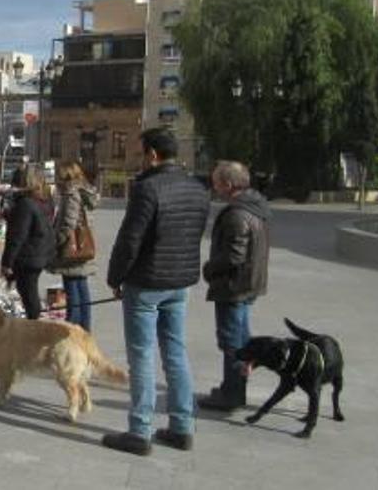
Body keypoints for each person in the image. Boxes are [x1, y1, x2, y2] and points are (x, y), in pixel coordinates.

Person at [103, 127, 209, 456]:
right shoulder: (197, 188)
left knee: (142, 355)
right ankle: (182, 425)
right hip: (179, 281)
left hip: (146, 282)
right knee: (175, 352)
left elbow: (130, 239)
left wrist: (115, 277)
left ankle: (140, 430)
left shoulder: (147, 188)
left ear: (152, 154)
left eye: (141, 151)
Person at [198, 160, 270, 412]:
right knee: (240, 338)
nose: (214, 186)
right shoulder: (255, 205)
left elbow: (233, 256)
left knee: (231, 341)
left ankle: (232, 394)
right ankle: (234, 387)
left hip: (234, 286)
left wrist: (209, 268)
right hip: (249, 283)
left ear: (228, 185)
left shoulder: (236, 214)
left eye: (216, 182)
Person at [51, 161, 101, 331]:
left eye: (60, 175)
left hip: (71, 249)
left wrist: (56, 241)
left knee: (73, 291)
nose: (57, 179)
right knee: (81, 287)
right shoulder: (84, 191)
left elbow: (68, 223)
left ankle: (73, 329)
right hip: (83, 247)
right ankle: (85, 330)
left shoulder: (71, 193)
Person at [0, 166, 55, 319]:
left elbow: (18, 236)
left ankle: (34, 330)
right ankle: (33, 326)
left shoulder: (26, 203)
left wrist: (7, 262)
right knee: (30, 293)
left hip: (28, 256)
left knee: (29, 295)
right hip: (39, 252)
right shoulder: (44, 201)